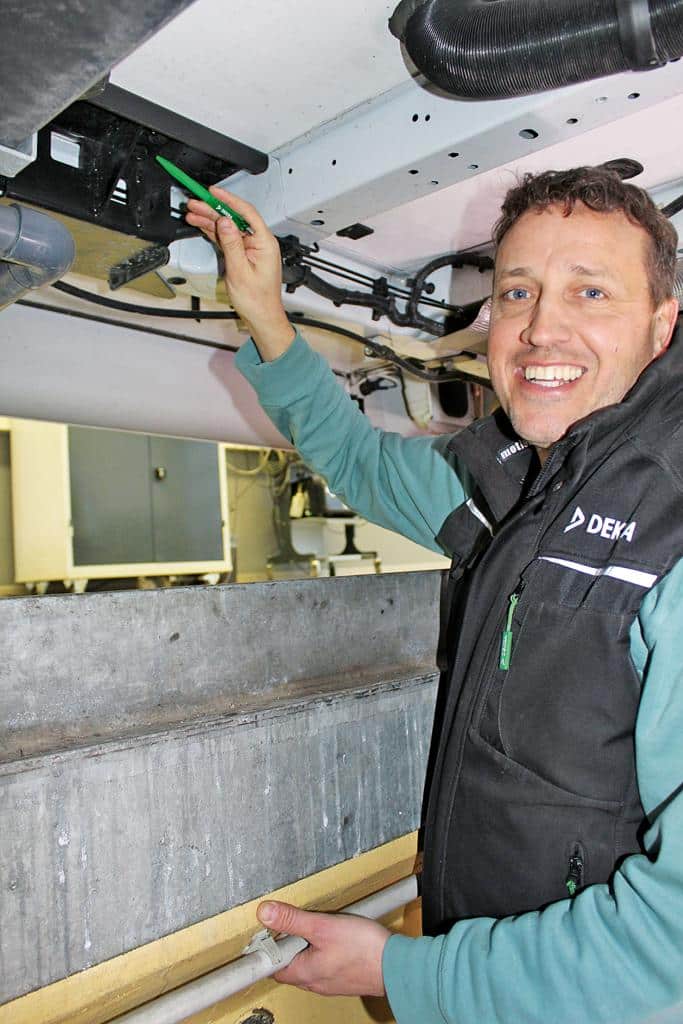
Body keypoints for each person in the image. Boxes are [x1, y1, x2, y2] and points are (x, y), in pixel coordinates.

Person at [186, 167, 683, 1023]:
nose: (540, 328)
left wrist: (408, 975)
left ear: (661, 324)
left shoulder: (669, 524)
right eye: (517, 291)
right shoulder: (503, 482)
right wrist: (265, 312)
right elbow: (359, 461)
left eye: (590, 291)